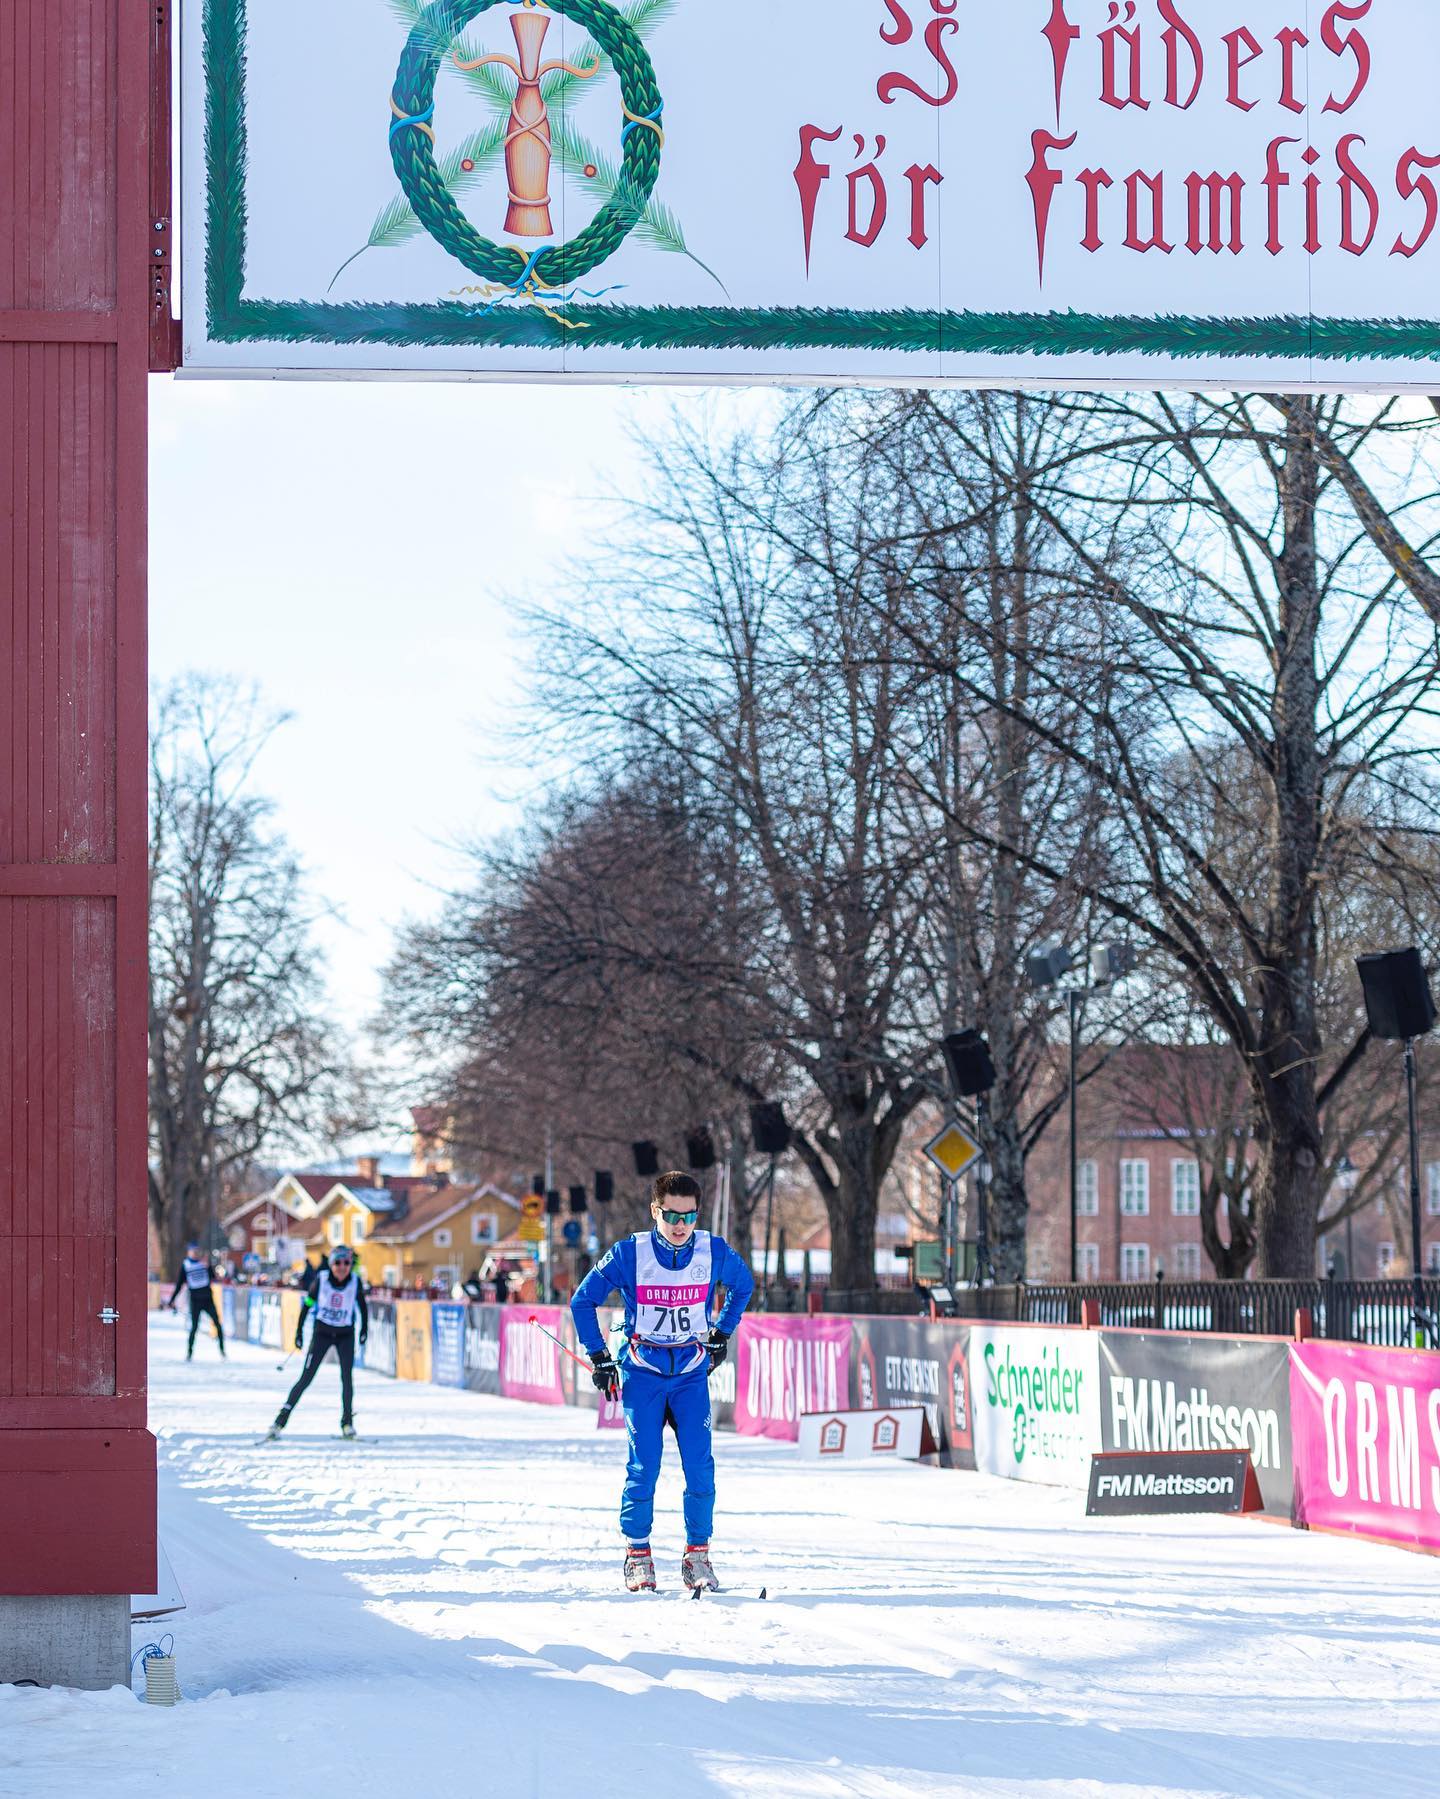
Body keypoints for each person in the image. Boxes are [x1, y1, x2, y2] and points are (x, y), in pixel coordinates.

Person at [570, 1171, 754, 1593]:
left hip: (690, 1373)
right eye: (671, 1215)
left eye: (689, 1216)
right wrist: (599, 1357)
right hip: (643, 1371)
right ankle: (638, 1555)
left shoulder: (713, 1250)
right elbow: (583, 1300)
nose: (681, 1225)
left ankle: (697, 1556)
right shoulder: (629, 1253)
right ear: (655, 1210)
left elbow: (743, 1285)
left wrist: (722, 1334)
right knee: (644, 1465)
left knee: (700, 1468)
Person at [267, 1245, 368, 1439]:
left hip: (345, 1335)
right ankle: (280, 1422)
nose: (342, 1267)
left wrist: (364, 1330)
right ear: (331, 1264)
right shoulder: (321, 1280)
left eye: (346, 1263)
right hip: (322, 1333)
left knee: (347, 1379)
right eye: (337, 1262)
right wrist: (299, 1332)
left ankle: (347, 1423)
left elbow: (362, 1306)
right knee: (306, 1377)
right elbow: (308, 1305)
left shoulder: (355, 1281)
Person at [165, 1241, 225, 1360]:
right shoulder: (186, 1265)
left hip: (208, 1299)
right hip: (195, 1300)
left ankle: (222, 1351)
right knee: (194, 1327)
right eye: (193, 1251)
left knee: (217, 1324)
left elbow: (213, 1277)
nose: (195, 1254)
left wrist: (209, 1267)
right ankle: (189, 1353)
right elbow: (180, 1283)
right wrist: (172, 1300)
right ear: (189, 1252)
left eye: (197, 1251)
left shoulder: (204, 1263)